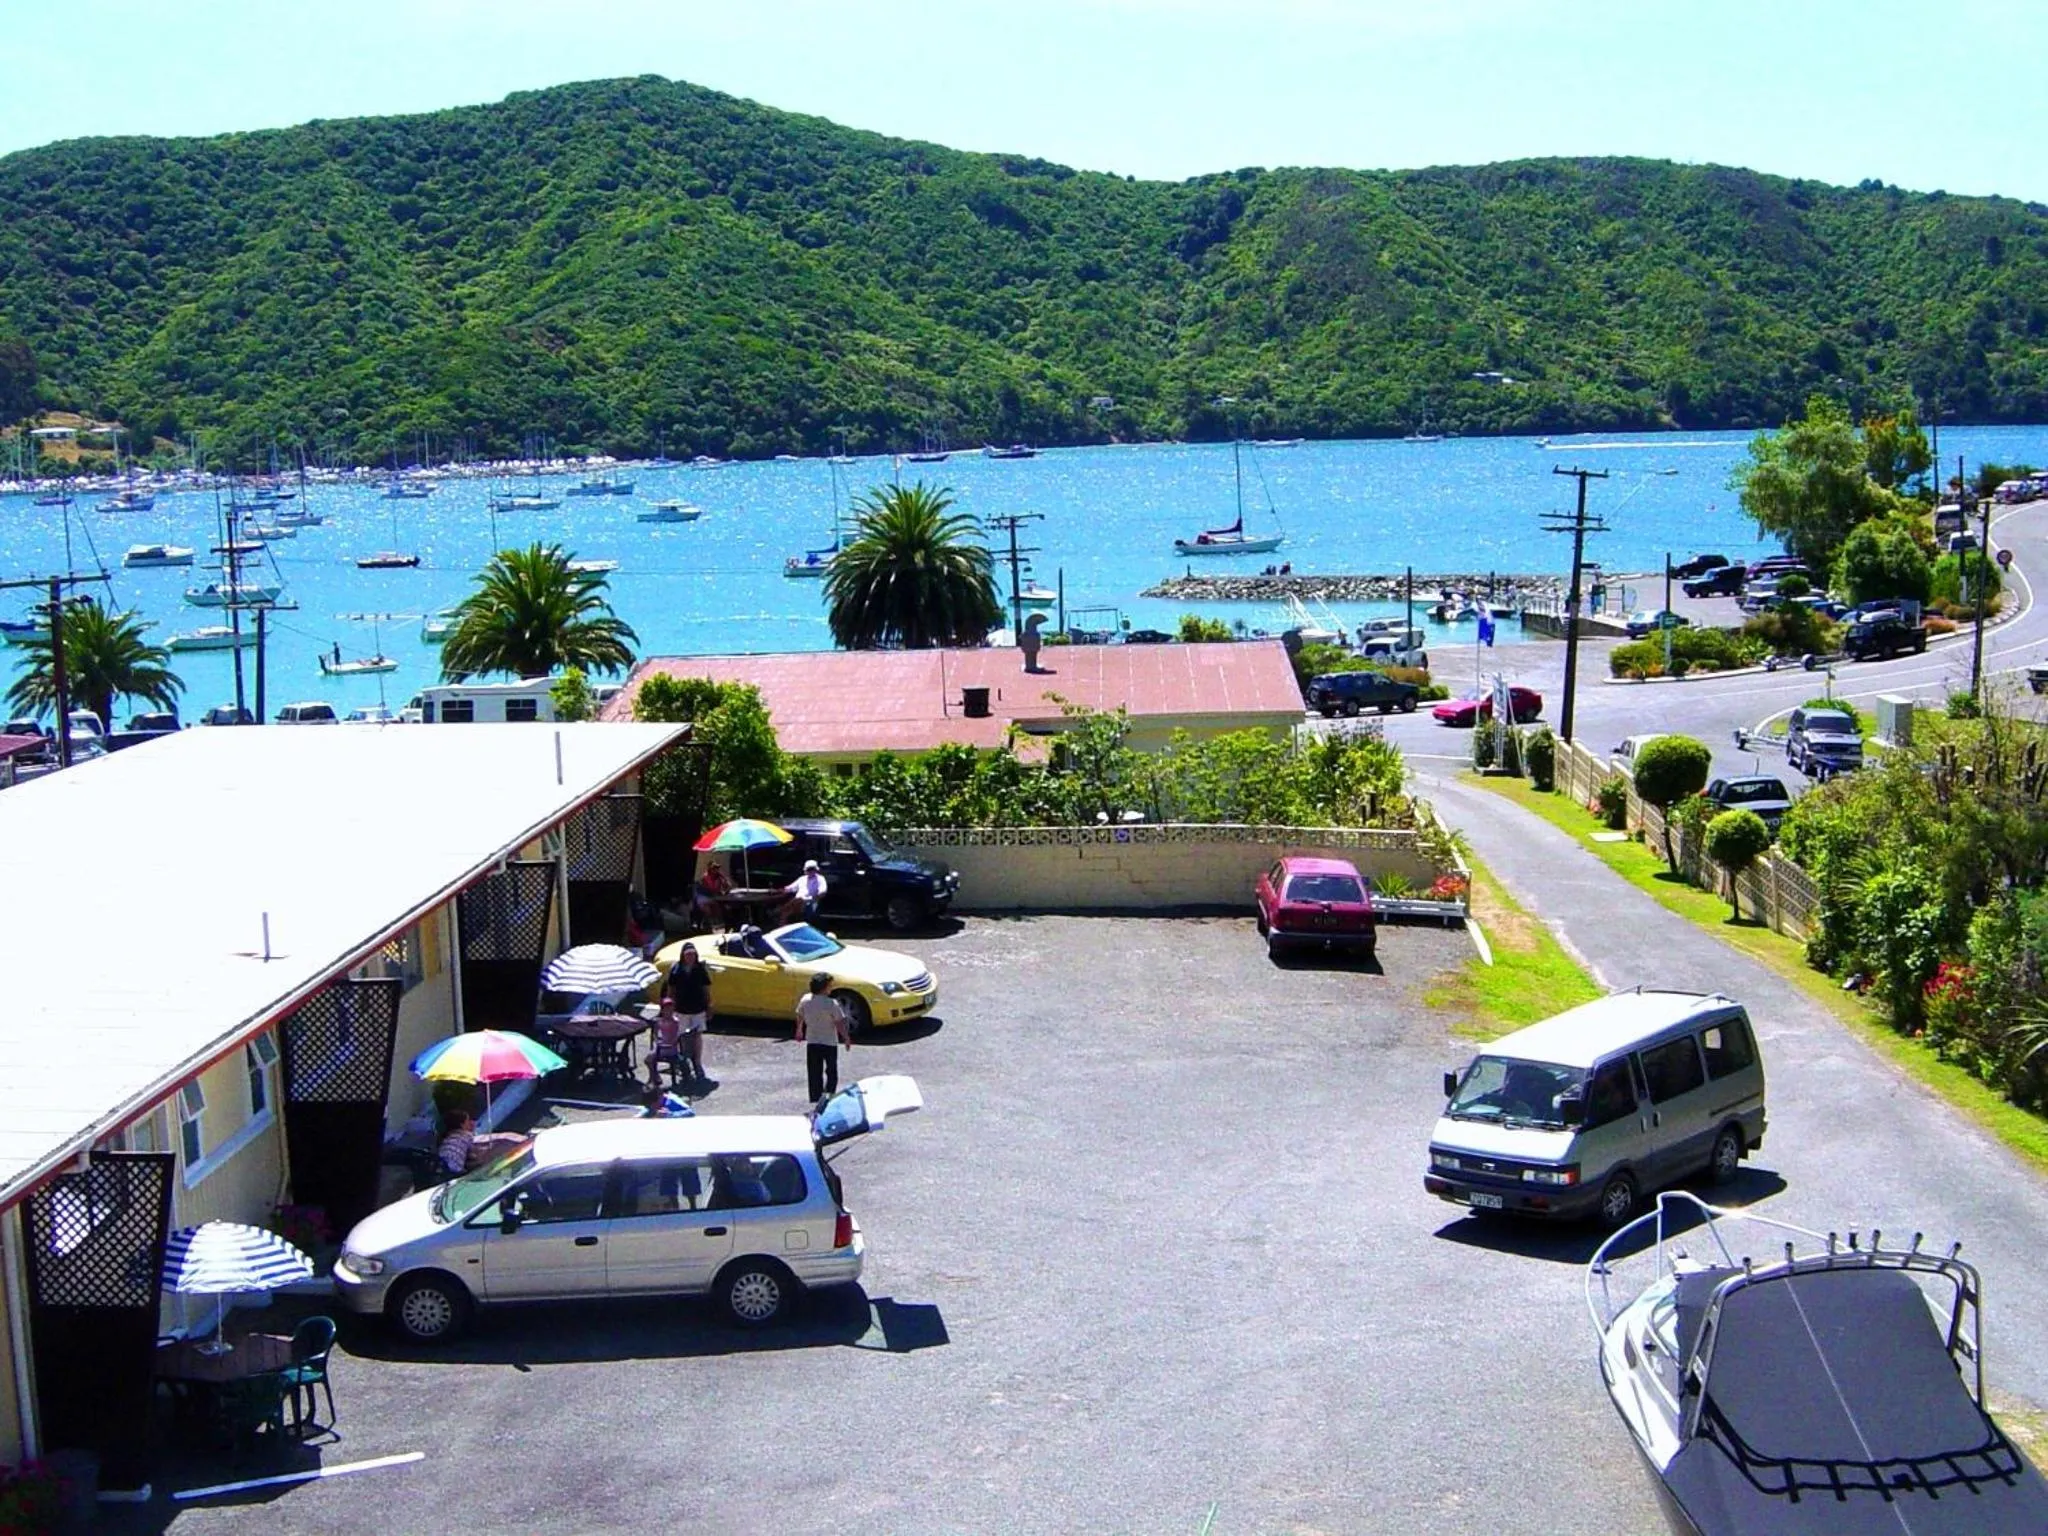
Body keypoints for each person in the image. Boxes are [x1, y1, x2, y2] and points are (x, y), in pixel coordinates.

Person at [657, 941, 715, 1091]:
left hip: (698, 1008)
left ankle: (697, 1063)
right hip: (681, 1009)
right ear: (683, 955)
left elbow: (706, 989)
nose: (690, 957)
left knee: (697, 1036)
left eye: (693, 955)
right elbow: (671, 990)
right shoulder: (676, 969)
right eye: (688, 955)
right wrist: (669, 1007)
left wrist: (709, 1005)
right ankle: (684, 1064)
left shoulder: (700, 969)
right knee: (681, 1036)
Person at [793, 972, 850, 1104]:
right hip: (829, 1042)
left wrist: (799, 1030)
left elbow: (799, 1014)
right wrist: (846, 1037)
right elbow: (839, 1023)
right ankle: (828, 1097)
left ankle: (815, 1098)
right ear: (824, 988)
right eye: (830, 986)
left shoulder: (806, 1000)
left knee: (814, 1072)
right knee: (831, 1072)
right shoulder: (831, 1004)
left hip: (812, 1041)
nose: (831, 988)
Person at [693, 859, 732, 929]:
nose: (716, 870)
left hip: (714, 897)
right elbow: (711, 889)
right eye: (714, 868)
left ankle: (721, 924)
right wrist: (718, 892)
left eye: (717, 868)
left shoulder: (719, 877)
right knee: (709, 909)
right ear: (710, 869)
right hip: (704, 897)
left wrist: (725, 880)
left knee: (722, 907)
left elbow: (727, 886)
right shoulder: (705, 877)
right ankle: (708, 925)